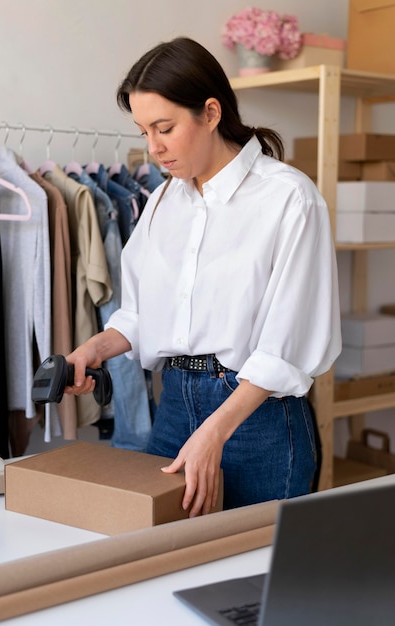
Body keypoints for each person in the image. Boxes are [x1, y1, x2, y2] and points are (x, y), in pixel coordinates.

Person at [65, 36, 342, 518]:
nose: (153, 148)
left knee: (257, 574)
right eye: (143, 131)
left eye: (164, 128)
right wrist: (93, 350)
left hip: (257, 421)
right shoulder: (163, 203)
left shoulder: (289, 199)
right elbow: (137, 314)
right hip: (174, 407)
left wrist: (215, 431)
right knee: (164, 569)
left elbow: (286, 348)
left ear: (211, 113)